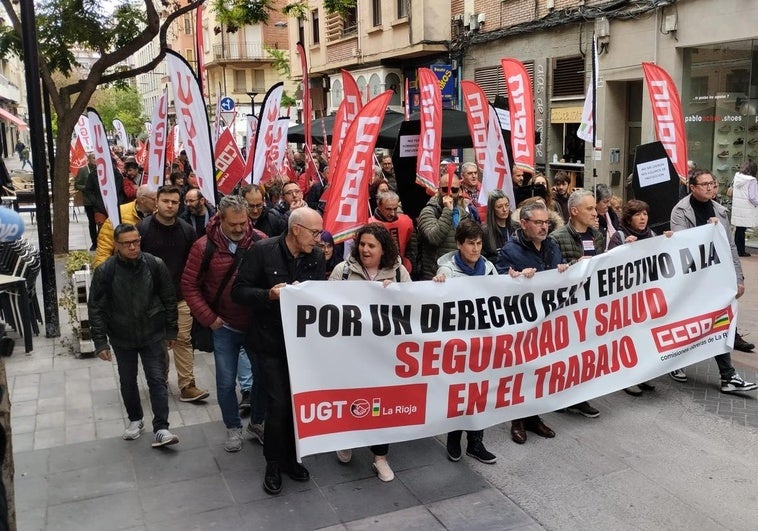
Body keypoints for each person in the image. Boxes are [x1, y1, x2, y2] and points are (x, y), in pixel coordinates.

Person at [231, 207, 326, 495]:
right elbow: (239, 291)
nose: (319, 239)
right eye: (314, 232)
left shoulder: (317, 257)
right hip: (269, 342)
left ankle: (291, 458)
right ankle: (273, 463)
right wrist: (268, 295)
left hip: (300, 346)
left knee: (297, 405)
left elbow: (319, 295)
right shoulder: (262, 251)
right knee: (279, 404)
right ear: (296, 229)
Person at [182, 195, 265, 452]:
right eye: (234, 225)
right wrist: (209, 318)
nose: (240, 229)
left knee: (263, 377)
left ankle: (258, 422)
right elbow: (189, 285)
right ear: (220, 218)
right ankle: (233, 427)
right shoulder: (202, 247)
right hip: (224, 326)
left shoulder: (260, 241)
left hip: (256, 325)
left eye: (244, 223)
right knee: (226, 382)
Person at [328, 223, 411, 481]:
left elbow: (414, 303)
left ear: (382, 249)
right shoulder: (343, 271)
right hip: (351, 351)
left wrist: (396, 294)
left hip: (384, 353)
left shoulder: (398, 272)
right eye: (362, 244)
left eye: (371, 245)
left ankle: (380, 457)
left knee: (381, 404)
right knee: (351, 397)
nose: (365, 249)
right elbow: (326, 304)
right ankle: (346, 438)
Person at [88, 223, 179, 447]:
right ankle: (135, 419)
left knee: (157, 380)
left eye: (136, 241)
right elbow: (96, 308)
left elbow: (169, 298)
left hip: (152, 333)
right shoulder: (105, 271)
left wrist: (171, 330)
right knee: (127, 381)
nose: (133, 246)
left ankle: (162, 428)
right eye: (127, 243)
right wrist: (100, 342)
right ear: (117, 245)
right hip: (121, 336)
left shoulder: (154, 264)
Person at [669, 169, 757, 393]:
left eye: (713, 183)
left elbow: (730, 246)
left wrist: (738, 277)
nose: (710, 188)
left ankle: (728, 376)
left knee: (717, 323)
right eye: (705, 184)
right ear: (693, 187)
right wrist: (708, 230)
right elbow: (683, 244)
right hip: (691, 281)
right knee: (689, 324)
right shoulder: (680, 210)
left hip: (715, 280)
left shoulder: (720, 211)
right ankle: (675, 363)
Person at [496, 202, 566, 442]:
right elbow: (497, 282)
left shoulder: (552, 245)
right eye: (538, 222)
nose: (543, 227)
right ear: (524, 224)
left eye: (546, 222)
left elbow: (561, 272)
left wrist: (564, 269)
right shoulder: (510, 250)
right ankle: (518, 420)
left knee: (541, 370)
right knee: (521, 371)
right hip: (523, 323)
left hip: (548, 320)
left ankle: (534, 417)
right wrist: (512, 277)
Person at [431, 219, 498, 463]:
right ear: (459, 244)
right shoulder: (447, 272)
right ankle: (453, 438)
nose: (476, 249)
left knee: (479, 394)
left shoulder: (489, 269)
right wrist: (436, 287)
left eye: (479, 243)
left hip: (481, 343)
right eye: (470, 244)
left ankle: (475, 442)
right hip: (458, 344)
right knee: (459, 393)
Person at [137, 185, 209, 403]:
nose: (170, 205)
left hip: (180, 297)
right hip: (152, 299)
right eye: (165, 201)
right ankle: (159, 382)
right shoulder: (143, 229)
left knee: (183, 340)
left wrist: (193, 292)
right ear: (156, 202)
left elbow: (194, 264)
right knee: (158, 343)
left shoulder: (187, 230)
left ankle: (187, 385)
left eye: (174, 202)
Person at [549, 190, 604, 418]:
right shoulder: (557, 238)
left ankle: (579, 396)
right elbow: (552, 275)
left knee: (585, 352)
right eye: (589, 208)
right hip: (567, 306)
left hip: (590, 304)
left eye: (594, 208)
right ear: (574, 211)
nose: (595, 212)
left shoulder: (598, 236)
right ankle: (561, 396)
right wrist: (575, 265)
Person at [607, 199, 667, 396]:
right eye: (638, 214)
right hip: (625, 297)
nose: (643, 218)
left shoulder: (652, 235)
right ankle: (626, 377)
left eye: (645, 214)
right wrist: (623, 248)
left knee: (644, 336)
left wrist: (668, 241)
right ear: (629, 217)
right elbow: (607, 264)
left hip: (646, 296)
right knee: (627, 338)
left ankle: (642, 375)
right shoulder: (620, 236)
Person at [417, 173, 472, 280]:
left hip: (458, 274)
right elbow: (433, 238)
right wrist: (447, 211)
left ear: (460, 191)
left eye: (454, 190)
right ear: (438, 190)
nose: (449, 193)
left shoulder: (463, 214)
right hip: (434, 276)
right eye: (445, 189)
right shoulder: (428, 211)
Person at [93, 185, 157, 267]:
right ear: (142, 199)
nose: (157, 202)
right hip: (123, 268)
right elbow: (104, 249)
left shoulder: (159, 215)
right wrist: (102, 272)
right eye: (154, 199)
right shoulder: (120, 213)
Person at [369, 190, 416, 273]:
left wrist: (410, 265)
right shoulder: (369, 224)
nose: (392, 213)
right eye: (388, 209)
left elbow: (411, 247)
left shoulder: (406, 222)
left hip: (402, 270)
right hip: (377, 271)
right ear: (379, 206)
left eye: (395, 209)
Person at [74, 152, 104, 251]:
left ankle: (102, 242)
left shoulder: (102, 169)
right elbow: (77, 184)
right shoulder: (83, 170)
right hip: (89, 202)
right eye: (93, 158)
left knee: (102, 222)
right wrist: (87, 188)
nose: (95, 160)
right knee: (92, 223)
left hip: (100, 201)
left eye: (97, 158)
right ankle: (94, 242)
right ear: (89, 159)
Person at [730, 160, 758, 258]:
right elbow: (753, 197)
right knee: (742, 230)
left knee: (739, 229)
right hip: (747, 208)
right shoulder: (752, 180)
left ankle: (737, 249)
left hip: (738, 207)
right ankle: (741, 251)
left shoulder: (737, 176)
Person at [481, 190, 513, 261]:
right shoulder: (485, 232)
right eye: (499, 207)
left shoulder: (516, 227)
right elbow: (483, 258)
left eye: (507, 205)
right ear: (492, 209)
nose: (505, 209)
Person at [594, 183, 621, 250]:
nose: (609, 204)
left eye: (609, 201)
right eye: (605, 202)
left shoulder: (611, 213)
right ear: (596, 201)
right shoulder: (591, 218)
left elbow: (618, 229)